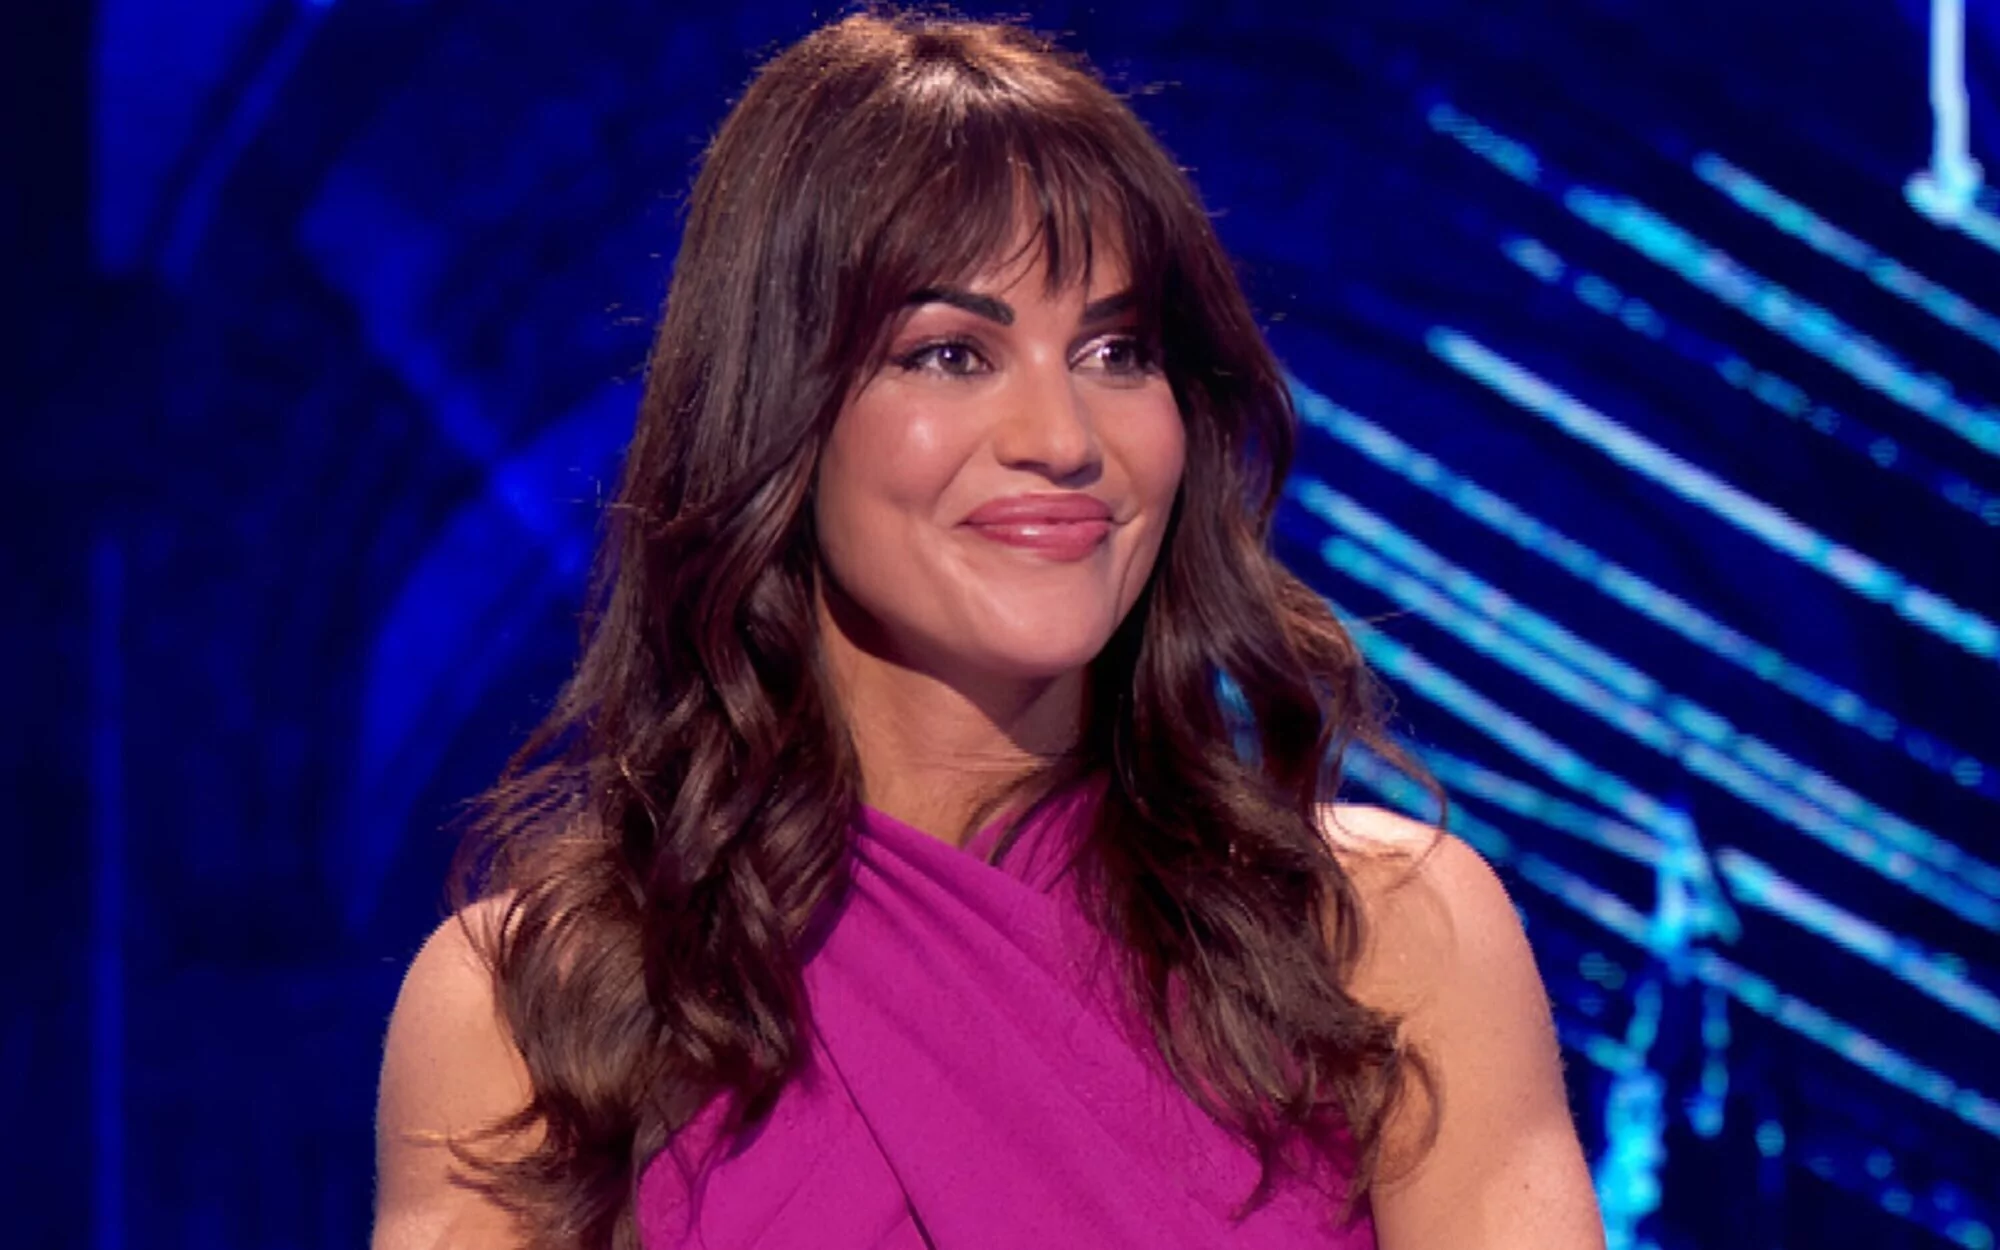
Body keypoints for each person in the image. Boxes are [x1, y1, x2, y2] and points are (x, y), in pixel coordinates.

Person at [371, 9, 1606, 1250]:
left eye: (1115, 350)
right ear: (777, 411)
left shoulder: (1386, 939)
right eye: (951, 354)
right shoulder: (531, 1010)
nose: (1062, 439)